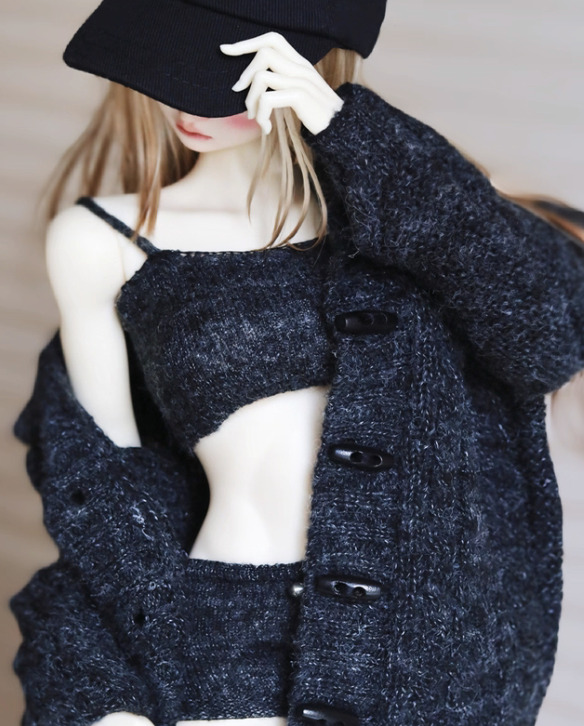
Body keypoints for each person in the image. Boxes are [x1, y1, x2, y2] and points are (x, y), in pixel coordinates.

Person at [10, 2, 584, 726]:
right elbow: (101, 489)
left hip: (421, 658)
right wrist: (108, 701)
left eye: (216, 78)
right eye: (166, 69)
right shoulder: (103, 240)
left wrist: (350, 129)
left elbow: (543, 339)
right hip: (228, 636)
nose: (184, 104)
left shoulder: (415, 209)